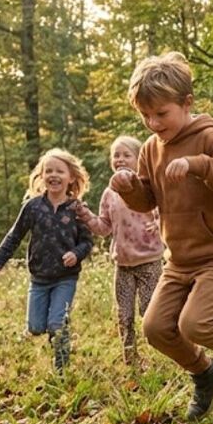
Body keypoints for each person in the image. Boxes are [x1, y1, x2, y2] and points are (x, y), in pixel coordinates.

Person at [110, 51, 213, 420]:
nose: (152, 122)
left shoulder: (210, 136)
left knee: (195, 323)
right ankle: (206, 373)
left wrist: (200, 165)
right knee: (156, 327)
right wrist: (128, 186)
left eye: (161, 114)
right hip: (179, 260)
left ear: (187, 103)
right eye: (145, 115)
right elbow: (148, 199)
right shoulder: (150, 149)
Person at [0, 148, 93, 374]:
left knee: (57, 324)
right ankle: (53, 335)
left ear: (71, 177)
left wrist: (76, 253)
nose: (54, 175)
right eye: (49, 171)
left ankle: (61, 369)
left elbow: (87, 242)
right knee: (35, 327)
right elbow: (14, 236)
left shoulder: (77, 209)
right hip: (39, 279)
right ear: (42, 175)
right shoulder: (33, 207)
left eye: (60, 171)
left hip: (66, 277)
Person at [75, 135, 165, 367]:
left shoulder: (148, 187)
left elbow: (167, 211)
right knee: (124, 316)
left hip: (149, 261)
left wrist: (159, 224)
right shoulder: (109, 193)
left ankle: (168, 350)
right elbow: (104, 228)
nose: (120, 159)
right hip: (123, 265)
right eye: (116, 155)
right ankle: (130, 360)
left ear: (139, 160)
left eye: (127, 155)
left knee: (149, 313)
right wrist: (86, 216)